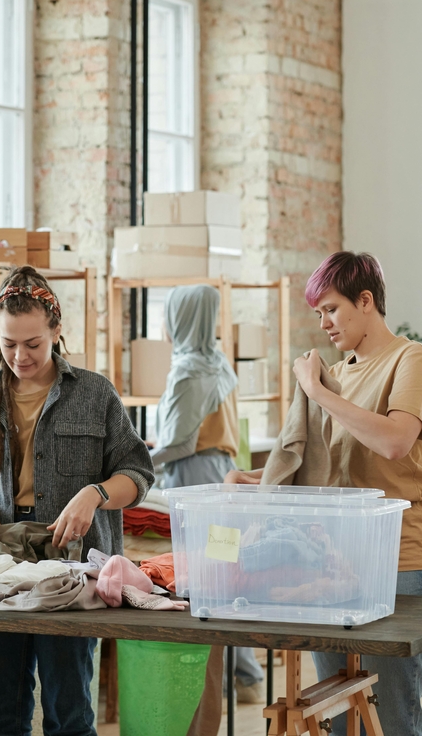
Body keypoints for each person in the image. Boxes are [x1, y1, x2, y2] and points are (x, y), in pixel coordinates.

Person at [226, 252, 422, 736]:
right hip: (332, 567)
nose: (323, 323)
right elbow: (331, 469)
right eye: (318, 314)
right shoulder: (340, 373)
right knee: (343, 715)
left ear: (365, 301)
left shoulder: (412, 360)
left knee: (392, 717)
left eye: (331, 309)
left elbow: (393, 442)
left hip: (402, 564)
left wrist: (318, 391)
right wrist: (263, 478)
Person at [0, 266, 154, 736]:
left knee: (69, 711)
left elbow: (138, 473)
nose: (20, 356)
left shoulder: (95, 394)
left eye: (33, 344)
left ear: (56, 331)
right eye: (8, 343)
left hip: (71, 565)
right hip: (0, 566)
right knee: (3, 711)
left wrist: (95, 494)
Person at [148, 284, 265, 702]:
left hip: (196, 483)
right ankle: (247, 677)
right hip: (221, 476)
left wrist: (138, 463)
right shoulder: (217, 362)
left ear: (180, 320)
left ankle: (222, 682)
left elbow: (180, 444)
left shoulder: (188, 371)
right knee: (226, 575)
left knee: (206, 580)